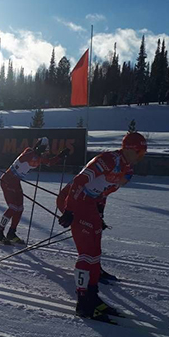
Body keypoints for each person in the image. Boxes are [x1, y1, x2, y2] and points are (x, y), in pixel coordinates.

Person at [56, 132, 147, 322]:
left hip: (90, 203)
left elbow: (104, 193)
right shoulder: (107, 160)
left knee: (96, 253)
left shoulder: (127, 171)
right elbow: (79, 182)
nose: (141, 157)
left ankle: (93, 296)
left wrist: (100, 214)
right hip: (73, 199)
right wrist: (69, 210)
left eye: (143, 153)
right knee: (87, 253)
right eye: (139, 152)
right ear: (129, 149)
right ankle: (83, 303)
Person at [0, 137, 69, 245]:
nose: (45, 152)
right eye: (43, 149)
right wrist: (36, 151)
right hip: (8, 180)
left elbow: (50, 163)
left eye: (45, 149)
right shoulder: (29, 152)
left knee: (20, 209)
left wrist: (61, 155)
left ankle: (11, 233)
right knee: (13, 207)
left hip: (16, 182)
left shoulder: (39, 157)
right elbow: (23, 157)